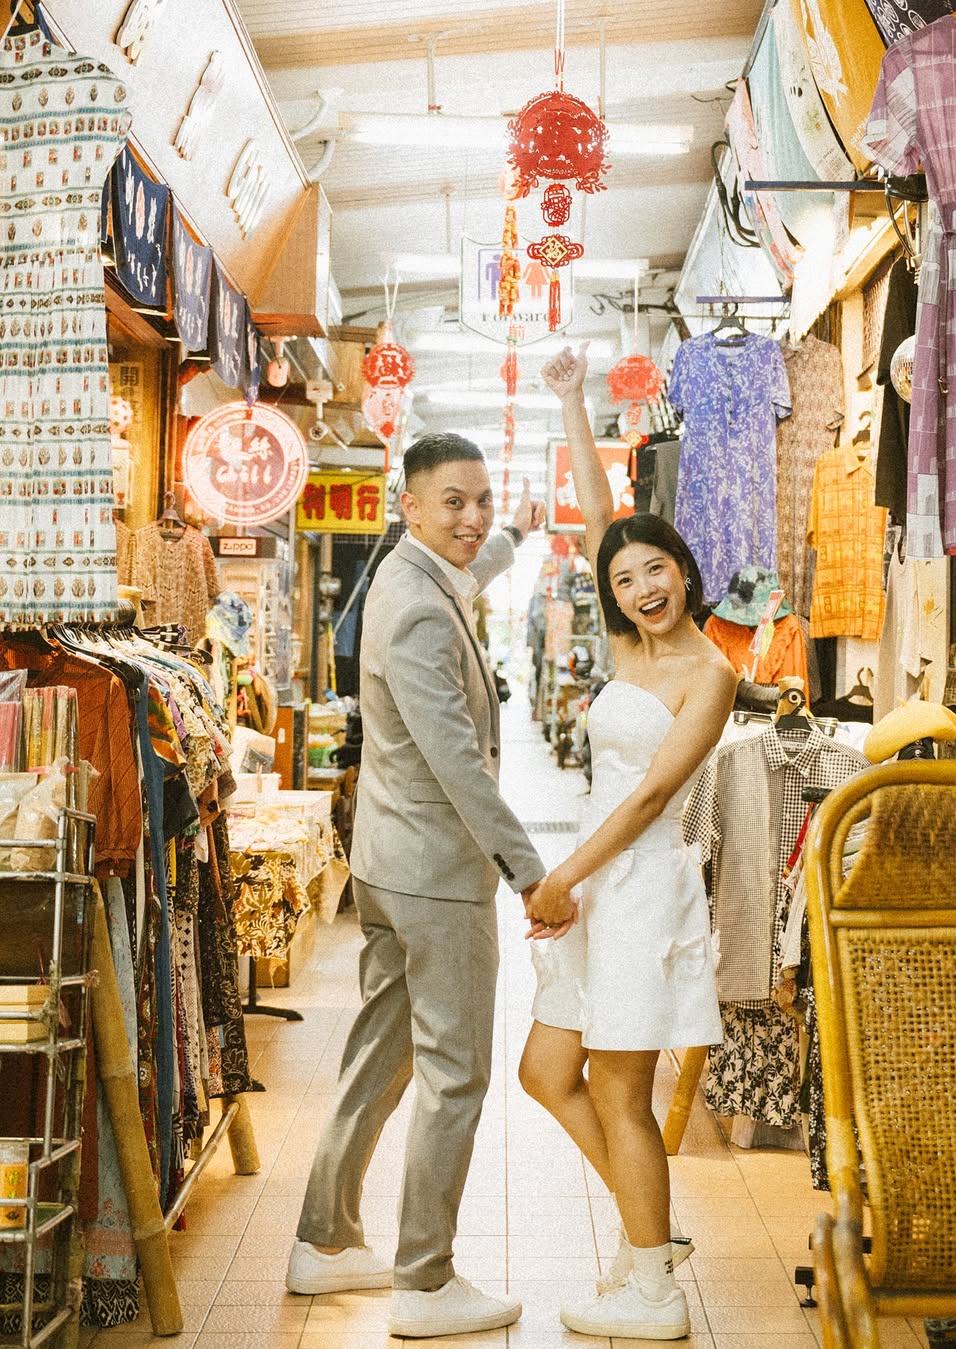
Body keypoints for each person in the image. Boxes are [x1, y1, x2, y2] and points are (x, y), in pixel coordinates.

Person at [286, 434, 566, 1339]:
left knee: (381, 1055)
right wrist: (531, 873)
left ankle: (325, 1239)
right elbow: (456, 762)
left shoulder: (415, 576)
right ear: (408, 505)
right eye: (453, 501)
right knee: (456, 1073)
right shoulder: (417, 607)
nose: (471, 516)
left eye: (480, 499)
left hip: (390, 864)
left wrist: (510, 536)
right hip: (435, 876)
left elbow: (471, 565)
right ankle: (425, 1279)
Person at [520, 345, 738, 1340]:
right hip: (597, 887)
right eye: (627, 576)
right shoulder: (624, 648)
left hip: (638, 885)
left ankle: (654, 1288)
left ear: (684, 572)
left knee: (616, 1084)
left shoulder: (710, 672)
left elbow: (652, 795)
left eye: (658, 568)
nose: (644, 585)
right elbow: (602, 516)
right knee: (546, 1071)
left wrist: (563, 873)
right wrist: (573, 403)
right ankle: (655, 1237)